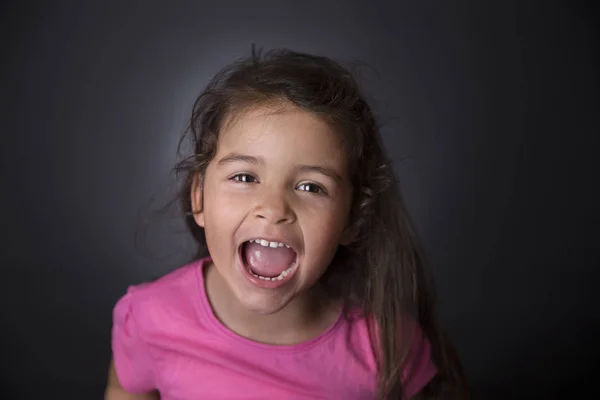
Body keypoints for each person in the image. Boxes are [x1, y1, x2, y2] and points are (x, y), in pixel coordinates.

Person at [104, 47, 468, 400]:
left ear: (353, 219)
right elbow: (127, 387)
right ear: (199, 197)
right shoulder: (149, 319)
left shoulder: (385, 344)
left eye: (311, 187)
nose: (274, 208)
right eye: (245, 177)